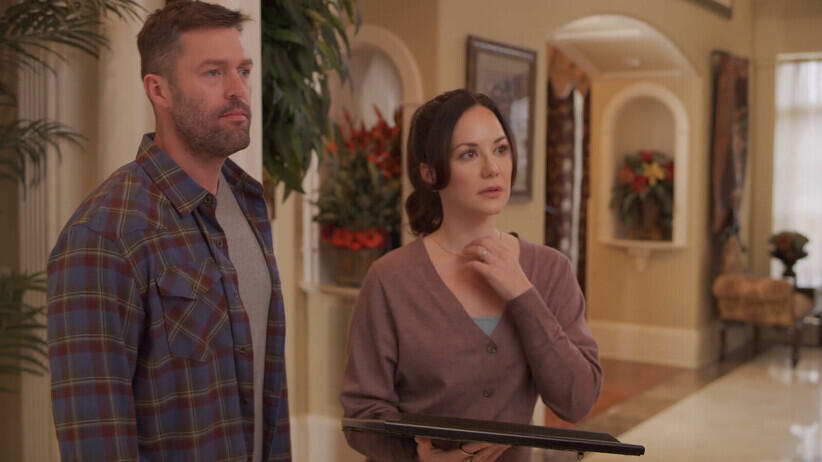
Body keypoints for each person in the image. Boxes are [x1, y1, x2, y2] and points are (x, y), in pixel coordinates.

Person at [47, 2, 290, 461]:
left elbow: (265, 397)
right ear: (158, 90)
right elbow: (95, 440)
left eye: (243, 70)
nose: (238, 90)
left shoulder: (249, 204)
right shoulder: (104, 235)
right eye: (213, 73)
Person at [340, 89, 602, 462]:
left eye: (500, 149)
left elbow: (578, 400)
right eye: (469, 154)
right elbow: (362, 415)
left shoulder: (550, 270)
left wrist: (522, 294)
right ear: (430, 173)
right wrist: (418, 458)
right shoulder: (389, 279)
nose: (492, 168)